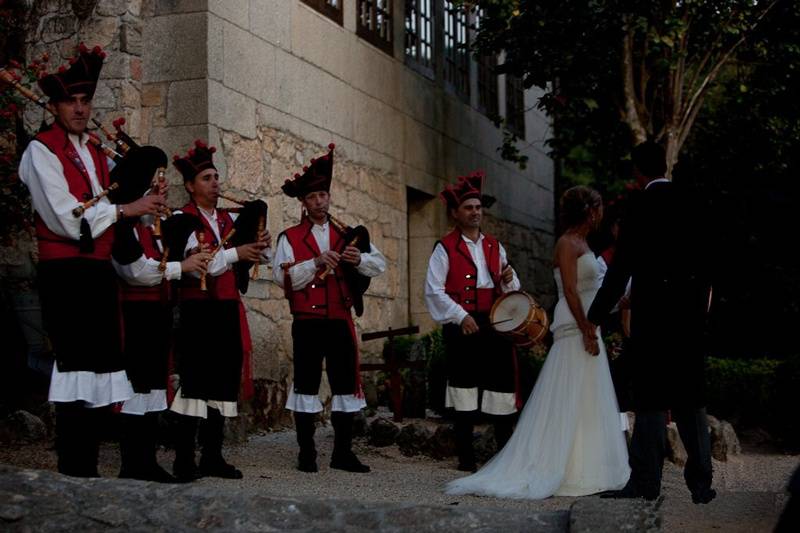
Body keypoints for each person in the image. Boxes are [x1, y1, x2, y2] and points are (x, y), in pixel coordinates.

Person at [18, 43, 165, 477]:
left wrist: (140, 208)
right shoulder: (41, 152)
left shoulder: (98, 153)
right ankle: (74, 474)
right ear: (54, 106)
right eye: (70, 101)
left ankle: (88, 478)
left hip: (98, 275)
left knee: (100, 376)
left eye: (85, 101)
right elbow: (67, 220)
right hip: (67, 274)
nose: (80, 109)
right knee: (76, 374)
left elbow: (109, 218)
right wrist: (126, 209)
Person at [445, 185, 630, 499]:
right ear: (588, 210)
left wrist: (615, 305)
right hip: (576, 323)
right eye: (597, 208)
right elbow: (570, 290)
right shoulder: (567, 243)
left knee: (588, 395)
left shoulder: (583, 242)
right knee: (570, 390)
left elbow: (592, 290)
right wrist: (586, 328)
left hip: (588, 321)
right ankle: (559, 465)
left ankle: (588, 464)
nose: (600, 215)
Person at [587, 141, 716, 504]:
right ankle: (702, 482)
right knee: (692, 399)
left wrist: (595, 315)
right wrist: (701, 309)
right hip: (689, 319)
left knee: (651, 403)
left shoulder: (639, 205)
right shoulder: (693, 200)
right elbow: (708, 263)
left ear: (638, 172)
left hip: (654, 319)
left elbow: (621, 267)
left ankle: (645, 484)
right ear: (665, 166)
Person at [274, 143, 386, 474]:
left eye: (323, 195)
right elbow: (284, 278)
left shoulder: (346, 233)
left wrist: (358, 258)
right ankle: (306, 452)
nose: (319, 201)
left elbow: (378, 264)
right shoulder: (289, 237)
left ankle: (342, 453)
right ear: (304, 203)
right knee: (306, 385)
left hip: (339, 319)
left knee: (344, 385)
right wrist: (315, 262)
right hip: (307, 321)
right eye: (312, 197)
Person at [169, 140, 272, 481]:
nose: (215, 183)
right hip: (198, 313)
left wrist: (258, 247)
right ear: (189, 186)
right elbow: (205, 266)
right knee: (195, 383)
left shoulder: (228, 219)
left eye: (216, 176)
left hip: (226, 309)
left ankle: (212, 455)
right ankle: (184, 458)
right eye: (206, 178)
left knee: (221, 384)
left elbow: (247, 260)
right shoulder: (182, 220)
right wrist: (237, 253)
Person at [111, 183, 211, 483]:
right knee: (138, 387)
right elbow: (137, 272)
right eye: (154, 195)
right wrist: (182, 266)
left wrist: (193, 253)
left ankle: (147, 461)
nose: (160, 201)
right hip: (135, 315)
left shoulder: (154, 231)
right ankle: (131, 463)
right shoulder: (125, 228)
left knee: (154, 389)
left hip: (157, 315)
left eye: (162, 195)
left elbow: (167, 262)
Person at [424, 170, 521, 473]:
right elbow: (433, 290)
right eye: (469, 207)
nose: (475, 212)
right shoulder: (444, 247)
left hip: (493, 323)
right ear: (455, 213)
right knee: (464, 388)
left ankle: (503, 455)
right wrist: (460, 316)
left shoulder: (495, 246)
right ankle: (466, 458)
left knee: (500, 387)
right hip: (462, 324)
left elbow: (511, 290)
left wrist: (509, 278)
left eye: (478, 207)